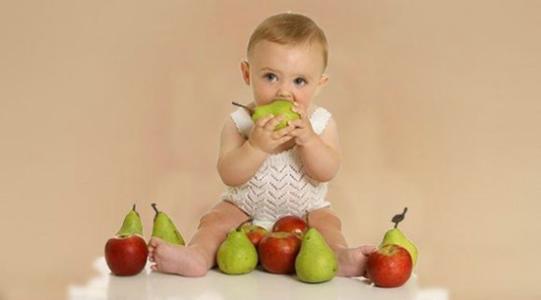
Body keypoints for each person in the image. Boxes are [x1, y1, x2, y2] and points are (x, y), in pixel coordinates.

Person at [148, 12, 375, 277]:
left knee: (329, 225)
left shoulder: (321, 123)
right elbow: (230, 176)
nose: (284, 91)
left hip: (306, 211)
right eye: (270, 77)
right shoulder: (239, 122)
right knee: (214, 221)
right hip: (243, 208)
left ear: (319, 84)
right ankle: (197, 255)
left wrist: (309, 141)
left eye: (299, 81)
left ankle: (338, 258)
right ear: (247, 74)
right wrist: (255, 147)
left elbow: (327, 171)